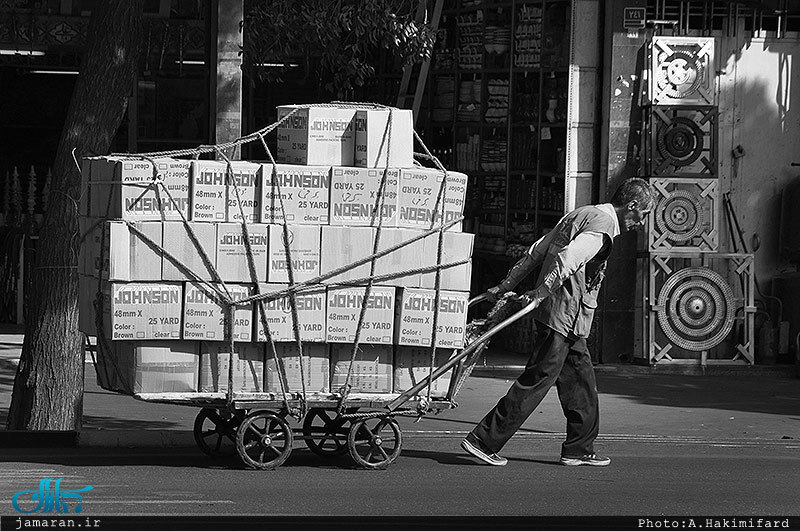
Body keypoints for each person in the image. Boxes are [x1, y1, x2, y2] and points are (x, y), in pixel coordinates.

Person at [461, 177, 654, 467]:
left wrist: (505, 285)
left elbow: (536, 251)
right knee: (538, 379)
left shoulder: (581, 214)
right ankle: (483, 440)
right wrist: (539, 291)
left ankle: (579, 447)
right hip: (561, 316)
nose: (641, 223)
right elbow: (568, 257)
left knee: (581, 382)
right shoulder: (603, 227)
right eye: (644, 215)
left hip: (569, 320)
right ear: (632, 206)